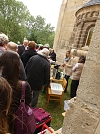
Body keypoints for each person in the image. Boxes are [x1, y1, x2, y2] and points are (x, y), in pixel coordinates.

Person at [0, 50, 32, 133]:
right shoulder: (24, 85)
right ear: (18, 66)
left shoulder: (1, 84)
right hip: (18, 121)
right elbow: (29, 101)